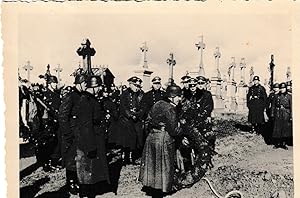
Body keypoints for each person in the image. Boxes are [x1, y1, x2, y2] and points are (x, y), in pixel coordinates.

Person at [139, 85, 184, 198]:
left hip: (152, 137)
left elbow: (148, 121)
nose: (180, 99)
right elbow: (174, 130)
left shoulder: (157, 103)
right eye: (178, 96)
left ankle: (152, 187)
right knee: (163, 165)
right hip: (164, 139)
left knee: (152, 164)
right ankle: (161, 189)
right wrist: (183, 129)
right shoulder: (170, 108)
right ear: (171, 97)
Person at [75, 75, 110, 198]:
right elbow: (86, 125)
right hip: (88, 140)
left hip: (93, 137)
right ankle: (86, 194)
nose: (100, 89)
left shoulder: (90, 99)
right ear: (94, 87)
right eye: (99, 86)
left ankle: (89, 192)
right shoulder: (86, 101)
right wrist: (90, 146)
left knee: (91, 169)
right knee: (86, 169)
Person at [58, 74, 87, 195]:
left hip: (80, 134)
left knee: (79, 159)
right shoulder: (70, 96)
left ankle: (78, 180)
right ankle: (71, 182)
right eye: (85, 83)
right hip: (71, 134)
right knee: (71, 160)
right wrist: (68, 133)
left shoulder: (82, 96)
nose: (86, 85)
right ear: (79, 83)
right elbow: (62, 116)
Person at [109, 76, 143, 165]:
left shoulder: (141, 94)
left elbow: (143, 107)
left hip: (137, 119)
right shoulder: (125, 94)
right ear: (130, 84)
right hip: (126, 120)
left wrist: (138, 114)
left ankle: (133, 157)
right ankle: (125, 157)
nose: (137, 87)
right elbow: (123, 108)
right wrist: (130, 115)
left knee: (137, 138)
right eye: (135, 85)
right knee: (126, 140)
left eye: (138, 86)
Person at [271, 82, 292, 150]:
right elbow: (273, 106)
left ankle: (284, 143)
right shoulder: (276, 96)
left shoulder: (289, 96)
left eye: (284, 88)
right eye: (281, 88)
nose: (282, 89)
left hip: (286, 113)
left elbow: (291, 106)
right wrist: (272, 114)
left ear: (286, 88)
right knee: (278, 128)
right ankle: (277, 143)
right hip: (278, 113)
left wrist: (291, 116)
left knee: (285, 128)